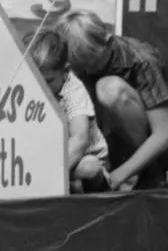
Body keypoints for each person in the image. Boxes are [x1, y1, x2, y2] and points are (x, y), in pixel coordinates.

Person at [56, 9, 168, 191]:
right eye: (80, 66)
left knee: (109, 89)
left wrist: (119, 176)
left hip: (163, 143)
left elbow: (163, 135)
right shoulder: (78, 69)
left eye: (92, 62)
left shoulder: (141, 60)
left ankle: (149, 175)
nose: (88, 71)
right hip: (109, 143)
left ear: (107, 42)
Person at [27, 27, 111, 192]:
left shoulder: (73, 90)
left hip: (80, 157)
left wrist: (47, 176)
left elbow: (80, 140)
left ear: (65, 72)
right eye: (33, 78)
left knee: (89, 167)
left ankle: (91, 191)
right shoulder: (31, 86)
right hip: (50, 156)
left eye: (48, 80)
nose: (40, 87)